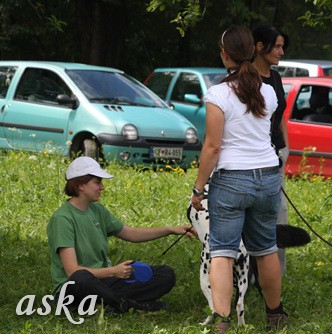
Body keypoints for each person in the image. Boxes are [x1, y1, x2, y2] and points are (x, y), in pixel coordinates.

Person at [190, 26, 288, 332]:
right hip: (269, 178)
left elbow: (213, 146)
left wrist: (198, 188)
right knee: (266, 249)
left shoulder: (218, 94)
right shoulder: (268, 91)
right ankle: (275, 314)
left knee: (222, 251)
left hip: (231, 181)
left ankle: (222, 320)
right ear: (252, 51)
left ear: (224, 54)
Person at [47, 156, 195, 314]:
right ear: (81, 185)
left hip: (103, 281)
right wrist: (113, 271)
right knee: (81, 277)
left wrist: (170, 230)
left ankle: (109, 303)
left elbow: (131, 233)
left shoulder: (98, 211)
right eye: (97, 182)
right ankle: (129, 305)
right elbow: (72, 271)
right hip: (74, 288)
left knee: (165, 274)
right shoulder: (62, 219)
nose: (102, 187)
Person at [252, 24, 290, 274]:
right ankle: (250, 272)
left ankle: (276, 272)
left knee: (280, 214)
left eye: (282, 46)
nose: (281, 51)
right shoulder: (246, 78)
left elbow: (280, 116)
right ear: (259, 47)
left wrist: (287, 148)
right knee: (255, 216)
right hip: (254, 159)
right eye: (276, 46)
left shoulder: (275, 78)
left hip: (277, 154)